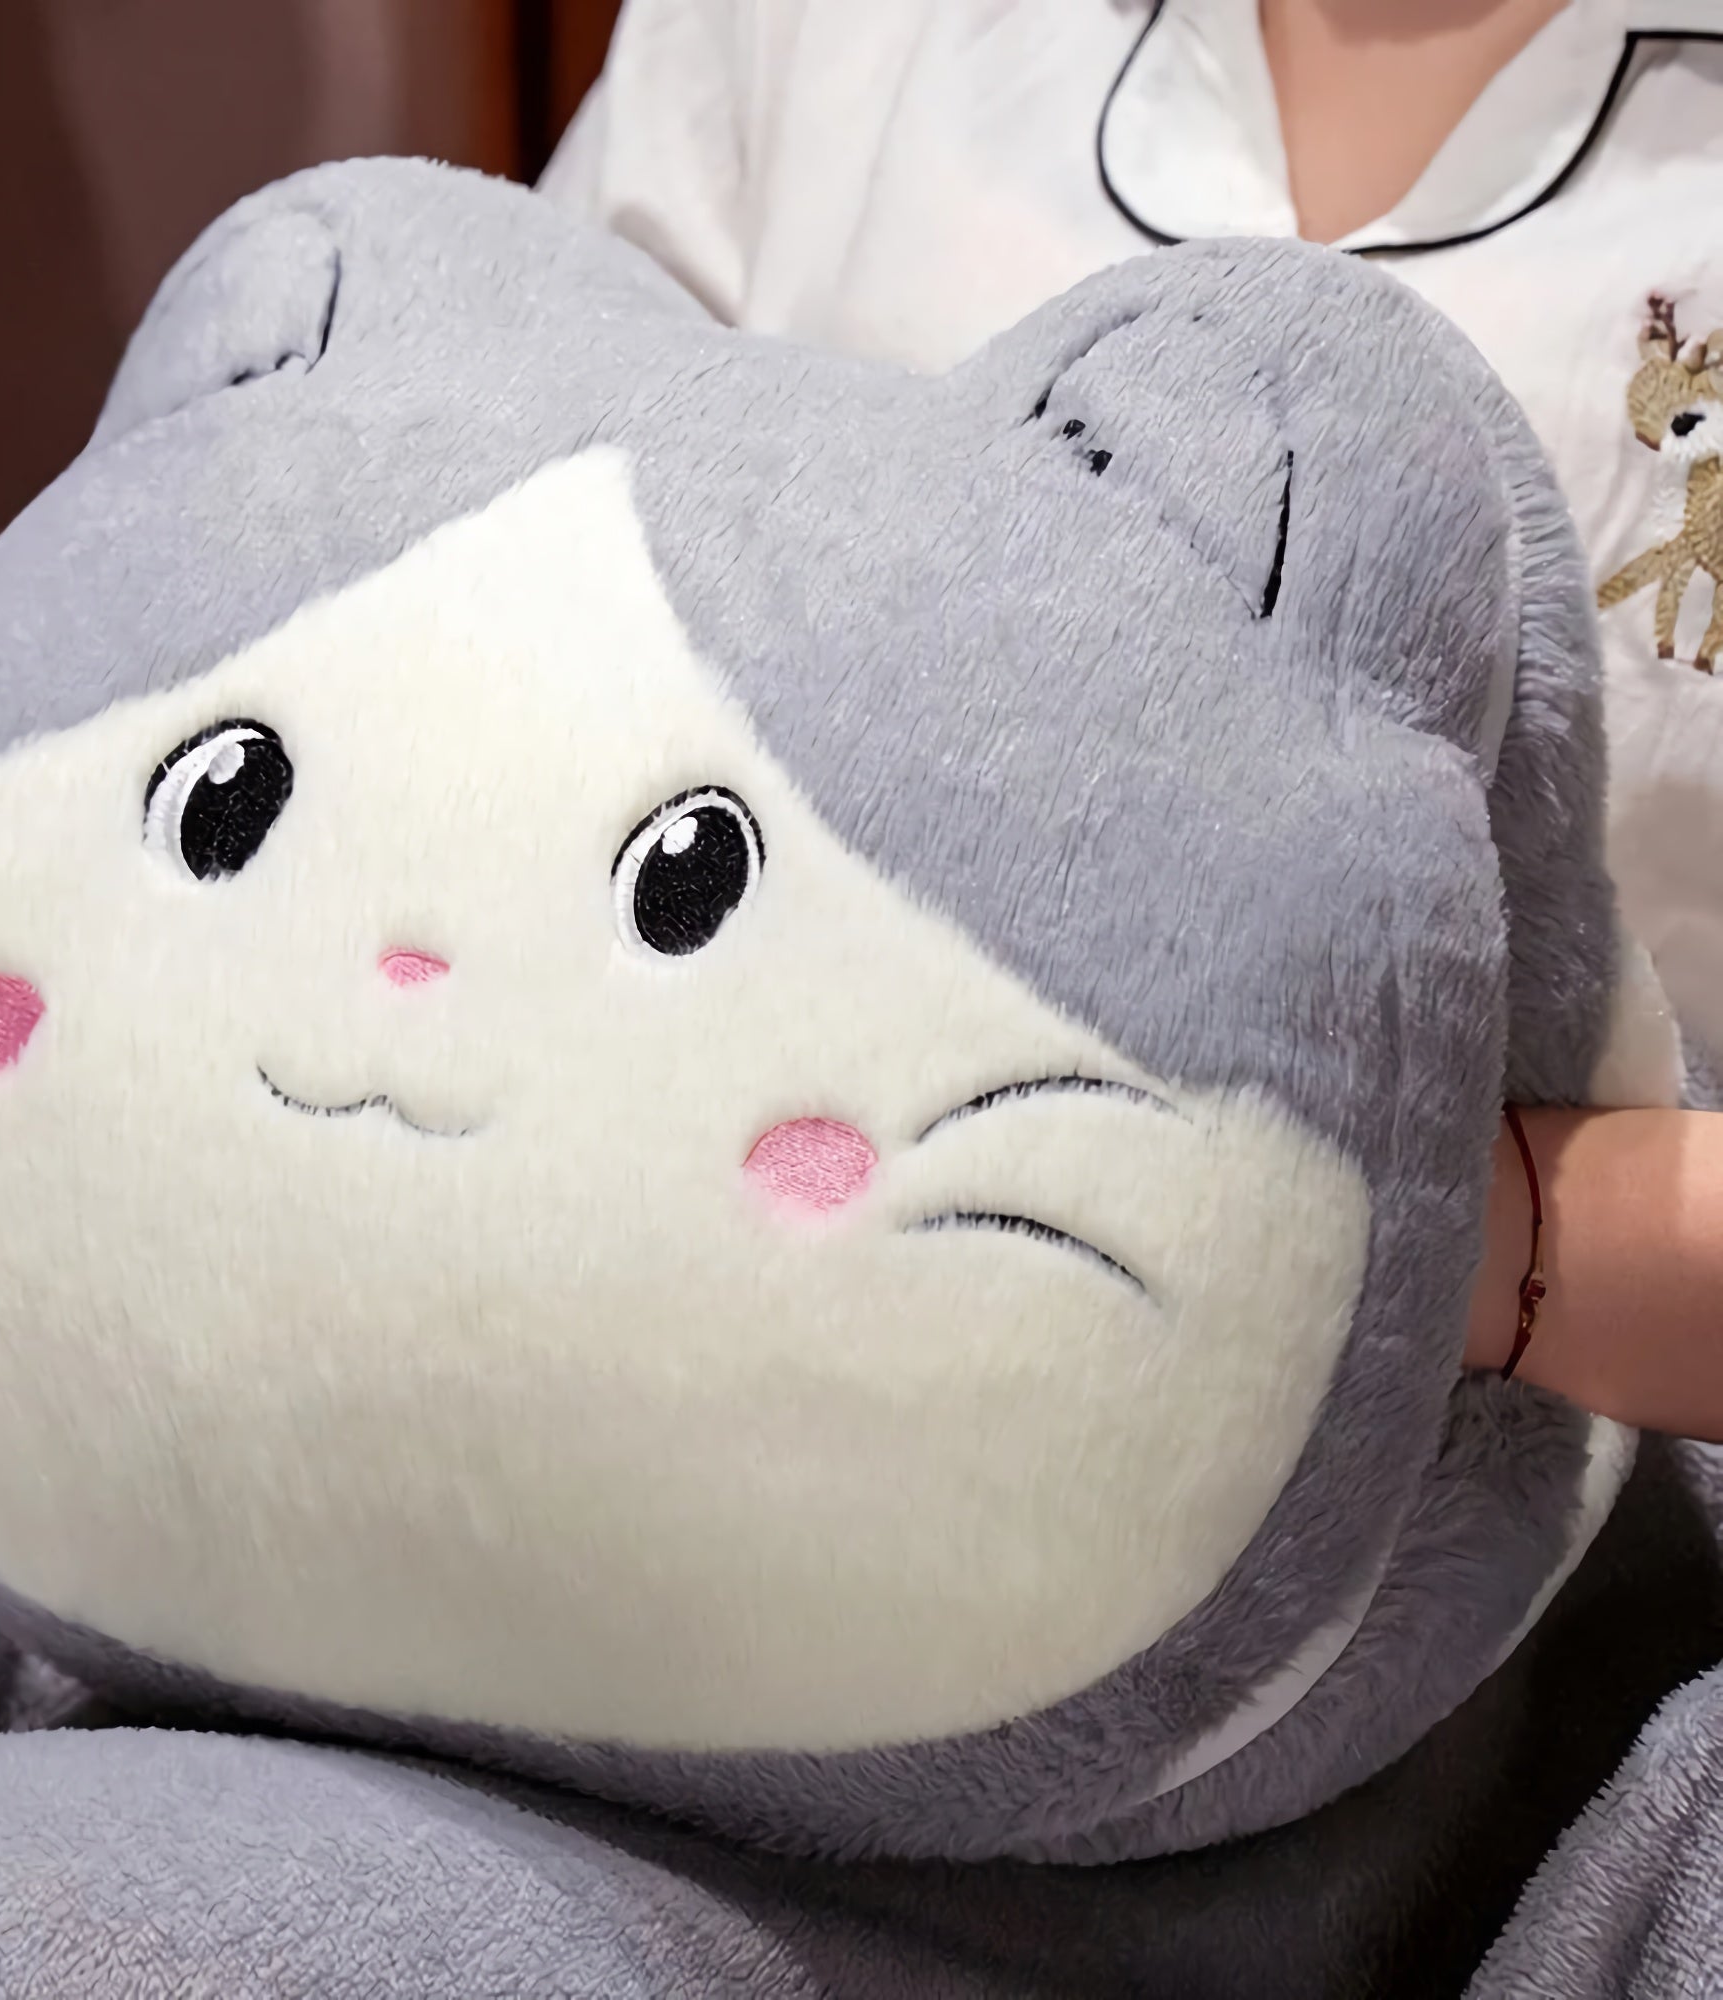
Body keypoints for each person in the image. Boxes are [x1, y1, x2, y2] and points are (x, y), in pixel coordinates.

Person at [541, 0, 1723, 1436]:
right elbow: (503, 641)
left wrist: (1409, 1238)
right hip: (676, 1417)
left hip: (1564, 1557)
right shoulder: (799, 37)